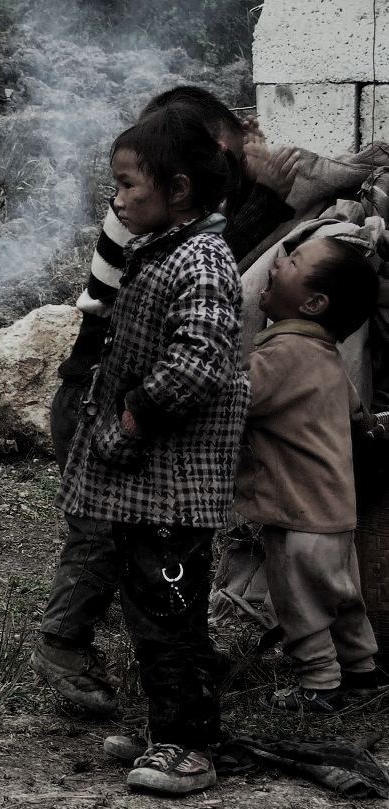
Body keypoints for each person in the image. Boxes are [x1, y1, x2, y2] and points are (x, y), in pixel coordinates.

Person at [31, 85, 300, 716]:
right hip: (103, 399)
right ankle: (65, 646)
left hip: (126, 403)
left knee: (159, 549)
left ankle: (185, 664)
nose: (231, 168)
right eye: (228, 157)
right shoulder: (148, 229)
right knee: (103, 536)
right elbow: (209, 288)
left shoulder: (174, 228)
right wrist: (267, 198)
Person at [55, 106, 250, 794]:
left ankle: (189, 746)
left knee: (169, 614)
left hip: (172, 484)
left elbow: (198, 362)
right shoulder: (163, 248)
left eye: (128, 184)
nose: (118, 199)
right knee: (150, 609)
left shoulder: (202, 260)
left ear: (179, 188)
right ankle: (168, 731)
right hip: (149, 487)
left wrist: (135, 416)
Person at [235, 235, 381, 712]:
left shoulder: (282, 356)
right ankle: (362, 672)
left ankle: (319, 685)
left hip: (297, 516)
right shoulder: (327, 358)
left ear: (314, 302)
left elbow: (236, 399)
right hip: (337, 513)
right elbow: (358, 413)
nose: (277, 262)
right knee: (342, 598)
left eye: (292, 261)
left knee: (301, 606)